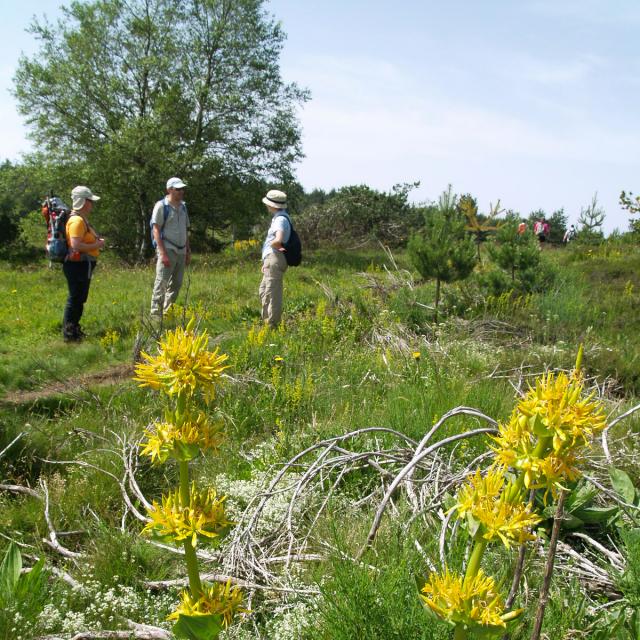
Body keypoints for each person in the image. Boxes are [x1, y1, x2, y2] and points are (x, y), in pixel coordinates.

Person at [62, 186, 105, 342]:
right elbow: (76, 245)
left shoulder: (80, 219)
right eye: (90, 201)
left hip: (81, 265)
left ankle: (74, 330)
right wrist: (98, 245)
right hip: (77, 265)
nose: (92, 204)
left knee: (79, 298)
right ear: (83, 202)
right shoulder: (77, 221)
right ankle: (69, 334)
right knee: (75, 298)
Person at [150, 177, 191, 319]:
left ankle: (167, 313)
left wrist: (188, 251)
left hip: (181, 250)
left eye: (182, 189)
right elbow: (156, 230)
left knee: (177, 284)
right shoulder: (161, 206)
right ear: (169, 190)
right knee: (162, 282)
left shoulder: (183, 207)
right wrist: (163, 253)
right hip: (167, 249)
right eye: (178, 189)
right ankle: (156, 315)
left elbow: (185, 230)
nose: (181, 191)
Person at [259, 189, 291, 328]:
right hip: (272, 259)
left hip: (274, 258)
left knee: (272, 293)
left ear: (272, 205)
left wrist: (274, 250)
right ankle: (267, 322)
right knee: (264, 290)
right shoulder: (280, 217)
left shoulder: (280, 220)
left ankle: (272, 325)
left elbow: (278, 240)